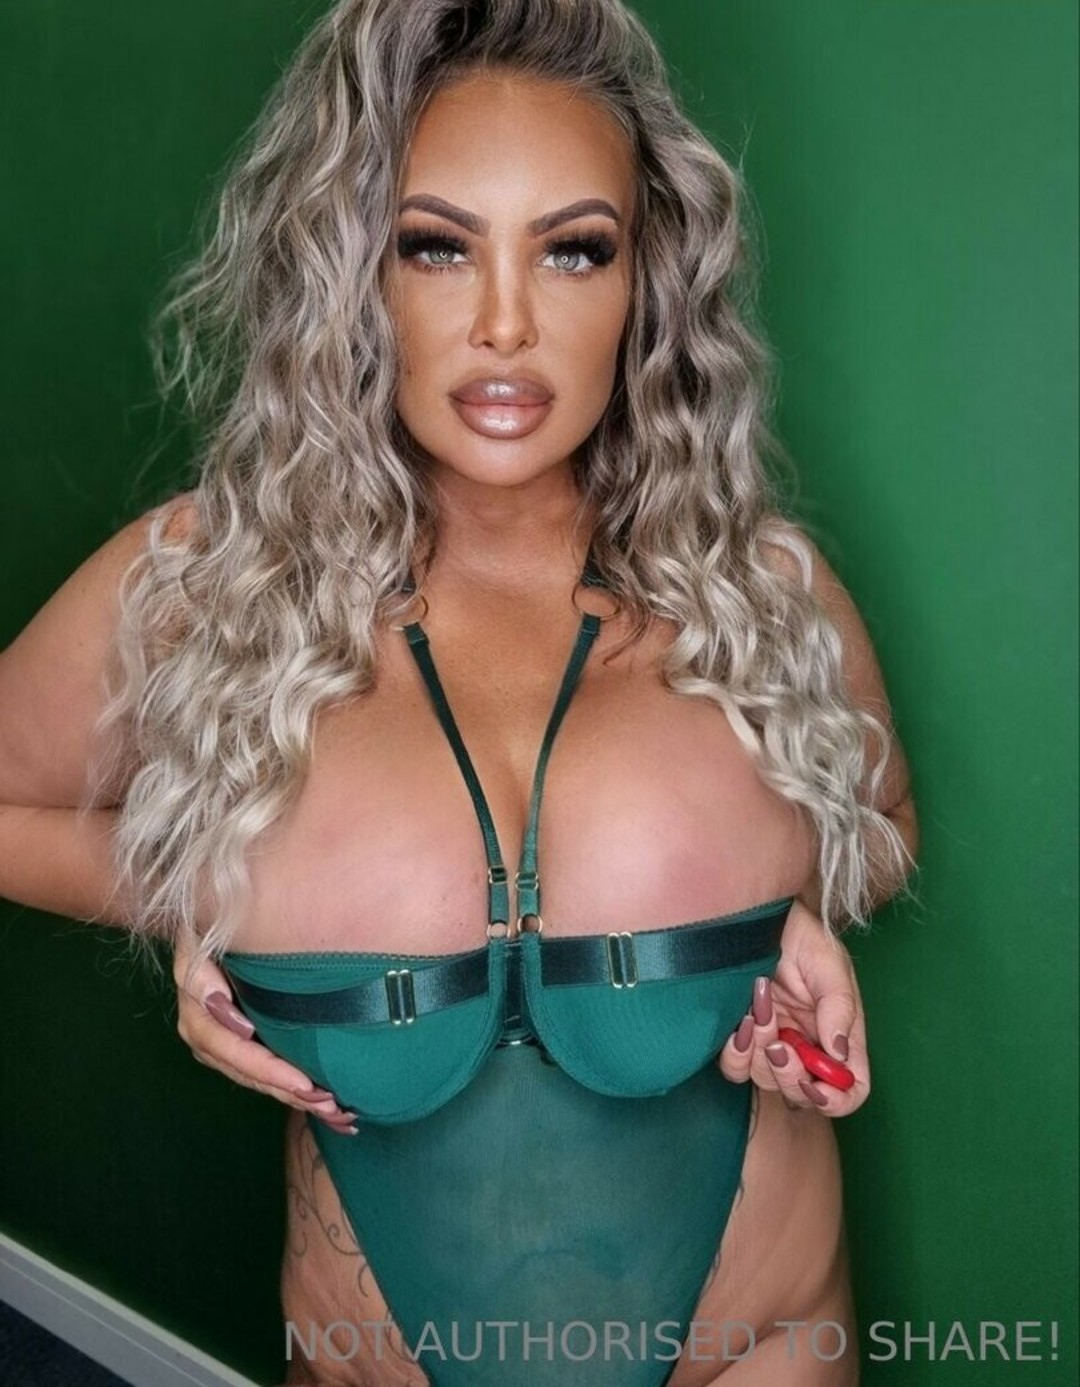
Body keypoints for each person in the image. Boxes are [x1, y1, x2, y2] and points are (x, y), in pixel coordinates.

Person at [0, 1, 918, 1383]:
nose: (504, 323)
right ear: (353, 274)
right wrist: (204, 884)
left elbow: (888, 821)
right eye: (437, 245)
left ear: (647, 283)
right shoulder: (208, 584)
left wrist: (796, 915)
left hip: (762, 1349)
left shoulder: (762, 591)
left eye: (573, 250)